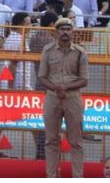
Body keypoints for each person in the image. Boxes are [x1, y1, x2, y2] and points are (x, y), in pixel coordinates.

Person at [38, 18, 89, 178]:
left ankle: (77, 177)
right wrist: (56, 88)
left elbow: (84, 79)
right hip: (52, 97)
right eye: (62, 29)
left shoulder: (80, 52)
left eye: (68, 29)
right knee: (51, 140)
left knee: (76, 141)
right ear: (56, 32)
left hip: (72, 97)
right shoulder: (47, 50)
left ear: (73, 32)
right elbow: (42, 76)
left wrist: (66, 87)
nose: (65, 32)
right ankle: (51, 176)